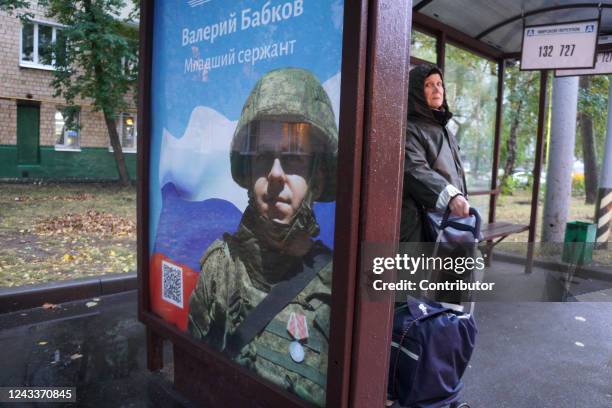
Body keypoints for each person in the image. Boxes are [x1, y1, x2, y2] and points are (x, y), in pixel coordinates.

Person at [188, 67, 337, 407]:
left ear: (320, 175)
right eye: (263, 157)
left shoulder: (337, 286)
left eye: (295, 158)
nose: (275, 173)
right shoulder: (220, 271)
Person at [400, 64, 470, 243]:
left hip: (447, 222)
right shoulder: (409, 128)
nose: (436, 88)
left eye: (439, 84)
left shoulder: (445, 130)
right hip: (419, 226)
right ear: (416, 91)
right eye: (428, 85)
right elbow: (414, 168)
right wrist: (451, 196)